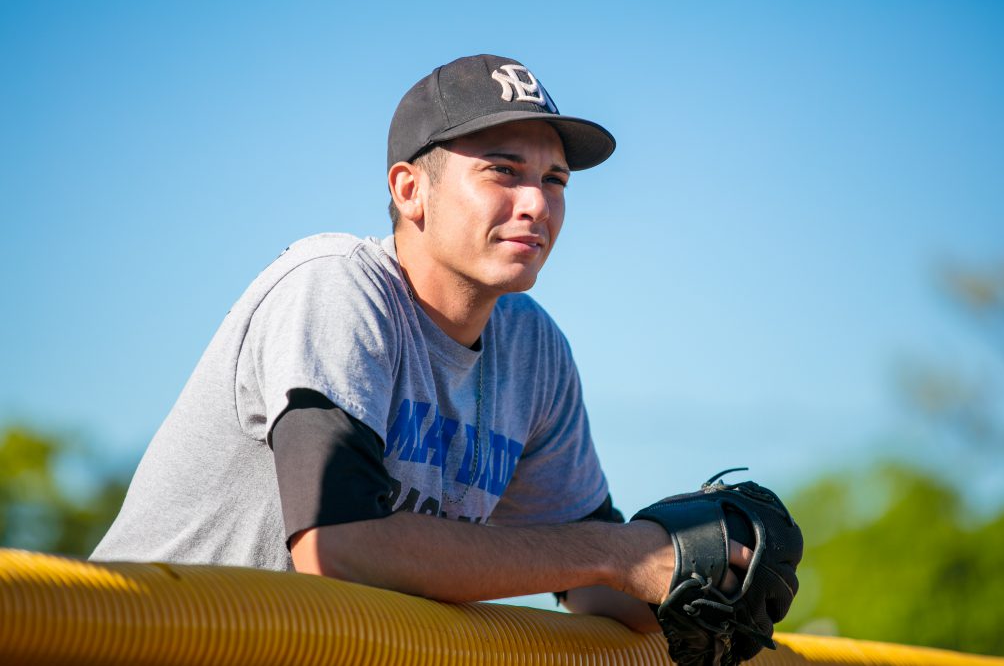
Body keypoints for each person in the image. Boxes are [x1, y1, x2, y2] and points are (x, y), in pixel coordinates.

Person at [92, 54, 752, 632]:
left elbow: (602, 582)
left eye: (555, 180)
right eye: (503, 170)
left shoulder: (533, 348)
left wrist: (707, 564)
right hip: (127, 638)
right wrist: (618, 553)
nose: (536, 204)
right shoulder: (336, 285)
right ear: (411, 191)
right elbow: (337, 547)